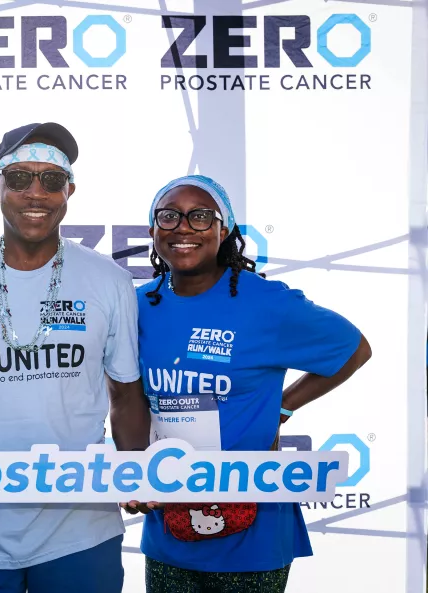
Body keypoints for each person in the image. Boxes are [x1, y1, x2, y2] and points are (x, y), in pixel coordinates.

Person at [0, 122, 150, 593]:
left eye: (51, 179)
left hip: (81, 527)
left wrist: (136, 470)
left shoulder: (109, 280)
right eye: (18, 178)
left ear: (69, 191)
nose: (35, 192)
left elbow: (125, 392)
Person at [128, 174, 372, 592]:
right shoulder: (136, 306)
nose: (183, 227)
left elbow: (354, 349)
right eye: (168, 216)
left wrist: (283, 407)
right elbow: (123, 396)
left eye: (201, 217)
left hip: (254, 534)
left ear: (225, 231)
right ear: (152, 231)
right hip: (169, 530)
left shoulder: (265, 303)